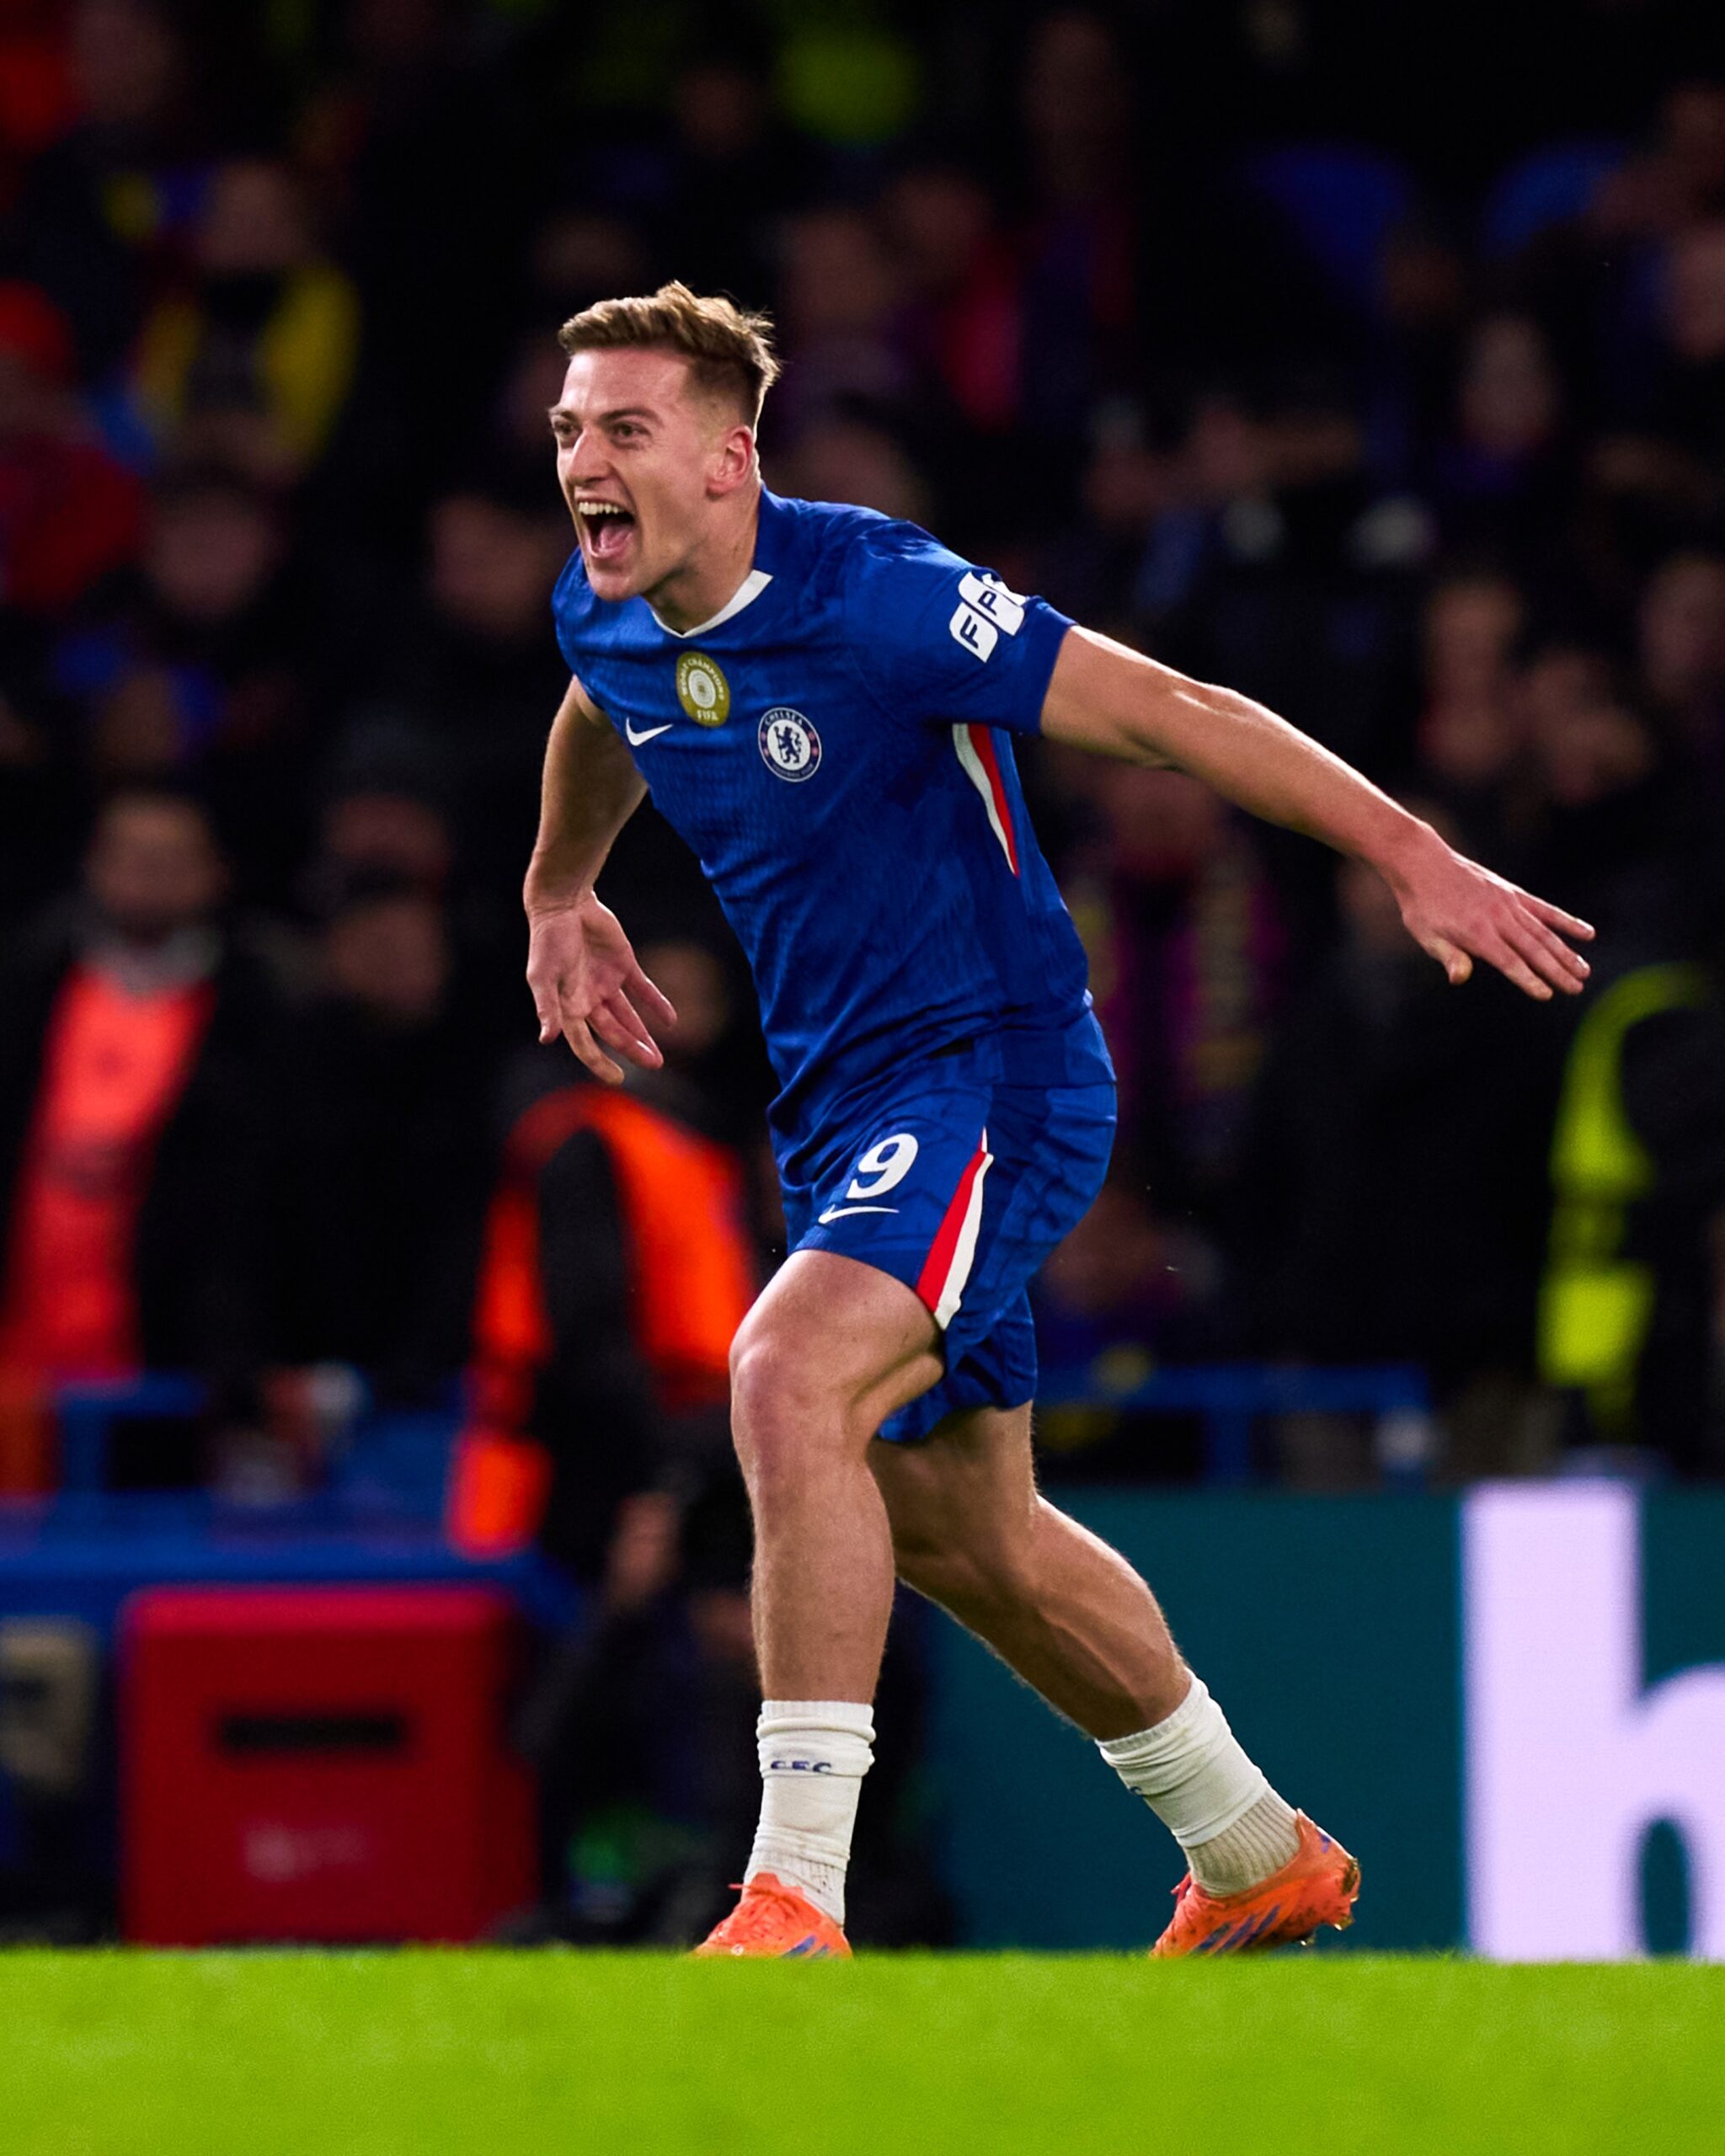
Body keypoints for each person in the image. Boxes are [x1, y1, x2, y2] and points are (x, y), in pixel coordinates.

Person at [523, 284, 1594, 1960]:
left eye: (625, 428)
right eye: (571, 429)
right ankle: (1254, 1851)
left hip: (991, 1074)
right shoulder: (606, 607)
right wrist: (558, 889)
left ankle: (794, 1890)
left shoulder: (878, 595)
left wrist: (1409, 853)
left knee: (787, 1374)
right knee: (967, 1531)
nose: (585, 459)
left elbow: (1169, 712)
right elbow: (604, 713)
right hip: (842, 1109)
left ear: (730, 459)